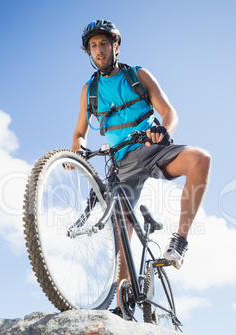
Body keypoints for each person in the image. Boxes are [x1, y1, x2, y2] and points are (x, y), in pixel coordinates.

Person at [71, 19, 211, 314]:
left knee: (201, 159)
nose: (99, 50)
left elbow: (168, 111)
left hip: (151, 147)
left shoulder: (138, 75)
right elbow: (80, 132)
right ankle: (125, 305)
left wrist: (163, 130)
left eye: (103, 44)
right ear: (89, 52)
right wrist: (77, 150)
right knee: (123, 230)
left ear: (115, 46)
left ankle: (179, 242)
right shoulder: (89, 91)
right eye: (93, 46)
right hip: (120, 163)